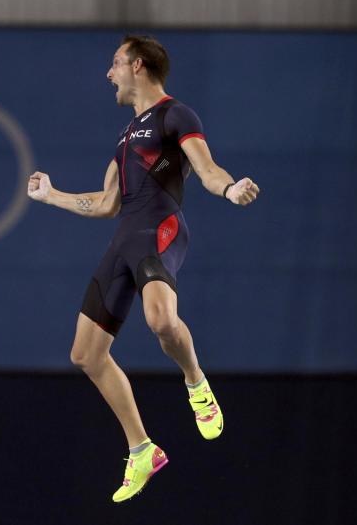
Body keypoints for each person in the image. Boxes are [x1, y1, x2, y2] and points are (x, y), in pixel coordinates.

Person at [27, 35, 259, 503]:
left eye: (114, 64)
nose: (108, 74)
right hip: (123, 241)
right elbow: (107, 203)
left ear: (137, 65)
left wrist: (231, 189)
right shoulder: (124, 138)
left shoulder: (177, 114)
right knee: (86, 355)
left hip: (161, 231)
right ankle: (141, 448)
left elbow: (208, 168)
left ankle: (196, 383)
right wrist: (51, 195)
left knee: (160, 320)